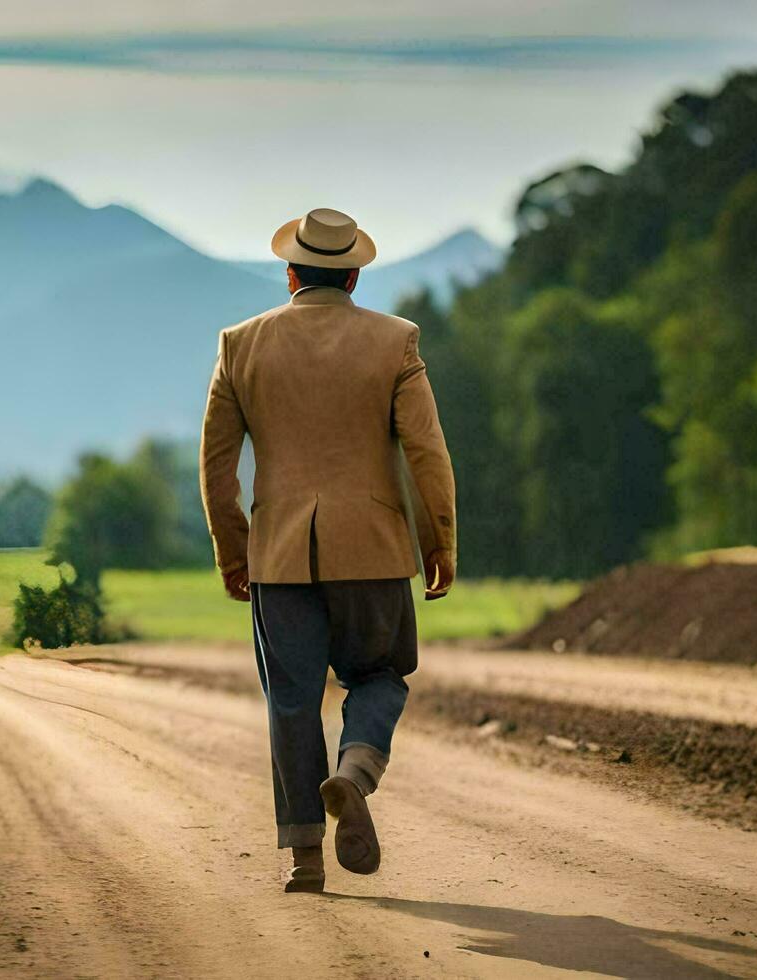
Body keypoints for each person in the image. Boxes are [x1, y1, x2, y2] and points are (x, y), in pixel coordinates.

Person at [199, 207, 457, 893]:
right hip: (373, 553)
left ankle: (304, 858)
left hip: (280, 559)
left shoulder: (239, 345)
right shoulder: (395, 342)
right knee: (379, 676)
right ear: (352, 276)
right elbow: (427, 453)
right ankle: (353, 774)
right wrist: (439, 540)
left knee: (291, 700)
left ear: (290, 274)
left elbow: (216, 469)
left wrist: (235, 552)